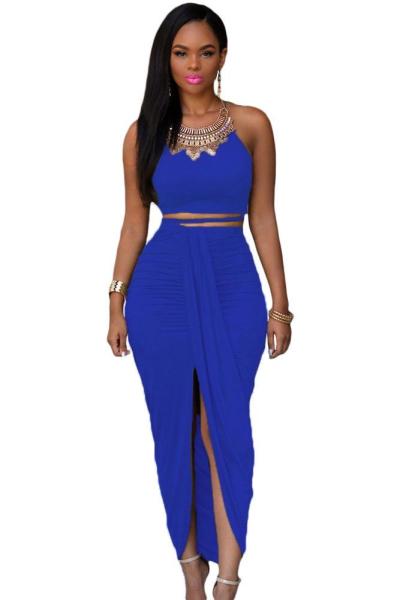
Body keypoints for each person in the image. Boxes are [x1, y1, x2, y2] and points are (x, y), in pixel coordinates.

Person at [107, 4, 293, 599]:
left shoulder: (253, 124)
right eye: (182, 52)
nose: (194, 64)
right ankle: (190, 567)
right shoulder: (142, 132)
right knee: (173, 427)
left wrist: (280, 305)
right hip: (160, 291)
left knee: (224, 428)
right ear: (166, 58)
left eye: (206, 52)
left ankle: (228, 581)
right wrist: (115, 300)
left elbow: (264, 218)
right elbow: (134, 223)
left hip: (232, 286)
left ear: (223, 56)